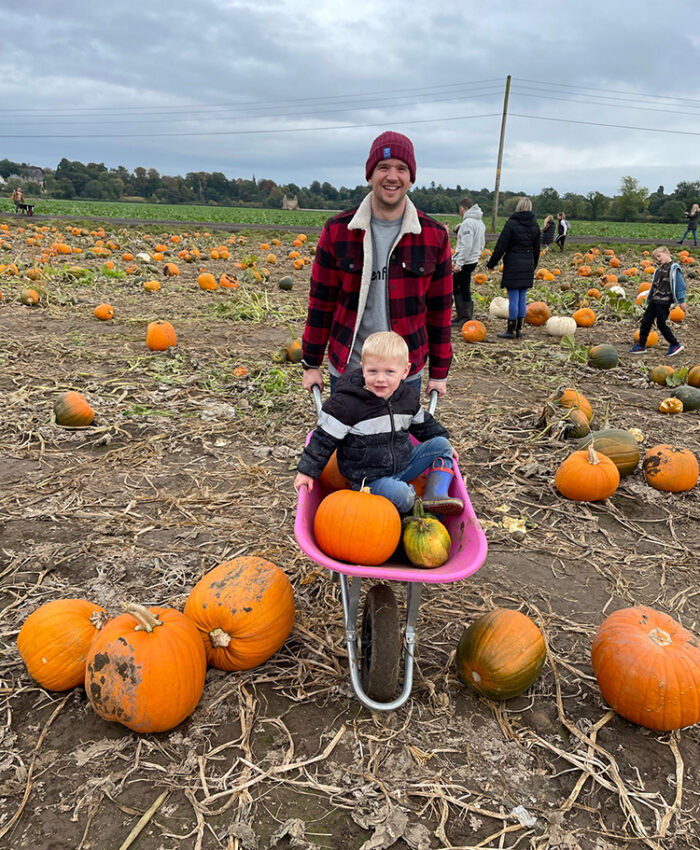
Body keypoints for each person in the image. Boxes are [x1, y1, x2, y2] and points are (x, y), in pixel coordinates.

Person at [300, 130, 453, 400]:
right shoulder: (338, 230)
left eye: (401, 169)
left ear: (411, 178)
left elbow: (439, 311)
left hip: (404, 374)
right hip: (350, 367)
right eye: (383, 167)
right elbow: (321, 302)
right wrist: (311, 363)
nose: (392, 176)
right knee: (346, 442)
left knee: (400, 442)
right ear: (370, 175)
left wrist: (439, 372)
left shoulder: (434, 235)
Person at [294, 331, 463, 515]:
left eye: (389, 372)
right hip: (368, 479)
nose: (380, 379)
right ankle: (414, 509)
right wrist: (307, 472)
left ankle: (435, 494)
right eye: (373, 371)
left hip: (404, 463)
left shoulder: (406, 398)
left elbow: (423, 424)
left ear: (405, 371)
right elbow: (323, 439)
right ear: (363, 368)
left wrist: (442, 440)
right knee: (403, 495)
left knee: (442, 445)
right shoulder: (347, 404)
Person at [486, 197, 540, 340]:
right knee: (522, 297)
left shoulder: (511, 224)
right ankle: (519, 329)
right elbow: (537, 249)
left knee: (513, 297)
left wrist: (491, 264)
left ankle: (511, 330)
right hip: (527, 264)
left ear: (518, 207)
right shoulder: (535, 225)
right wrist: (533, 266)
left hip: (513, 263)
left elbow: (501, 246)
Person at [630, 246, 686, 357]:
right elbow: (654, 286)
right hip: (654, 301)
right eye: (656, 258)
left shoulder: (674, 268)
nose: (658, 259)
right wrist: (649, 298)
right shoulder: (659, 270)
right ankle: (641, 345)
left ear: (667, 252)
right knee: (646, 322)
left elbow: (680, 285)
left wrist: (682, 300)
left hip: (664, 302)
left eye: (659, 256)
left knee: (661, 324)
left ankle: (675, 344)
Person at [451, 198, 486, 325]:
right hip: (472, 259)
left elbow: (466, 245)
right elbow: (482, 243)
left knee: (462, 287)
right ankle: (461, 315)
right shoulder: (480, 223)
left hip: (465, 261)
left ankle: (465, 316)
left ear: (462, 208)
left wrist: (459, 263)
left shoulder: (467, 223)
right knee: (458, 286)